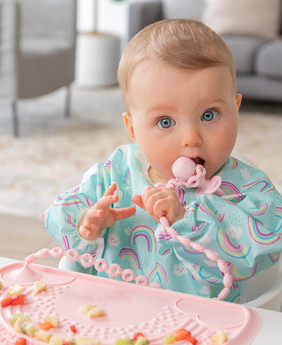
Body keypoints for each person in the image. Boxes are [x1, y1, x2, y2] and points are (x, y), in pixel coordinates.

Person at [43, 19, 282, 302]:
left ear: (235, 108)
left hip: (203, 328)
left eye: (209, 115)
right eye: (165, 121)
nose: (191, 138)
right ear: (133, 129)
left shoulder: (247, 188)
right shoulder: (116, 173)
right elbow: (59, 216)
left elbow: (263, 246)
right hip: (108, 316)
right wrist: (87, 222)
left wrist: (185, 219)